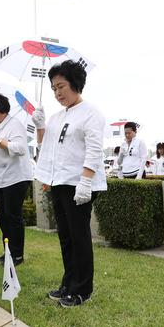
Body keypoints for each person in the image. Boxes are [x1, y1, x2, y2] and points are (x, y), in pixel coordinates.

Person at [33, 60, 106, 308]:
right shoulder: (56, 116)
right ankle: (68, 282)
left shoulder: (91, 113)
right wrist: (40, 125)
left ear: (75, 84)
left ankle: (82, 289)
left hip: (79, 183)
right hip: (59, 181)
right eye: (54, 88)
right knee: (65, 236)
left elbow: (94, 150)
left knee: (79, 236)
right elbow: (47, 146)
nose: (58, 93)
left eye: (61, 86)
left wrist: (86, 181)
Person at [0, 92, 33, 266]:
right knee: (3, 218)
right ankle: (7, 252)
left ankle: (17, 254)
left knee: (13, 217)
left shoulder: (14, 124)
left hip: (16, 178)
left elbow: (19, 148)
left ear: (2, 108)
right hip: (0, 180)